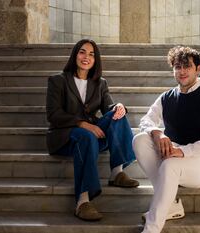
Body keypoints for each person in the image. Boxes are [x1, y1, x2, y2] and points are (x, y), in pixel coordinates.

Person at [132, 46, 200, 233]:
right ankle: (171, 203)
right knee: (140, 140)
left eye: (187, 66)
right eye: (177, 67)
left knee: (169, 164)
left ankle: (151, 229)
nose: (181, 71)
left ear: (198, 69)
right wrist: (157, 133)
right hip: (173, 158)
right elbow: (146, 120)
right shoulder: (167, 97)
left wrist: (182, 152)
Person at [46, 39, 139, 221]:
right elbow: (53, 115)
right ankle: (83, 201)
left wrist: (118, 106)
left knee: (117, 115)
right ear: (75, 55)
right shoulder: (58, 81)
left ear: (96, 60)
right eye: (82, 52)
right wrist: (82, 123)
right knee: (86, 136)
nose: (86, 57)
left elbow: (108, 108)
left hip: (92, 134)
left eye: (91, 54)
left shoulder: (100, 83)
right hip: (66, 136)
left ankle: (116, 172)